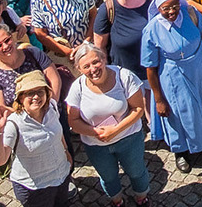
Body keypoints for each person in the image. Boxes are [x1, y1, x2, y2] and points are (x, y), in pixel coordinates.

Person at [140, 0, 202, 174]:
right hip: (173, 78)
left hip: (201, 72)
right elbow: (150, 68)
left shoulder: (191, 14)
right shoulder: (151, 30)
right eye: (166, 8)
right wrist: (159, 98)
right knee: (177, 114)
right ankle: (181, 151)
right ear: (157, 8)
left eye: (175, 6)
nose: (172, 12)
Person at [64, 44, 150, 207]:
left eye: (96, 62)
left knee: (137, 172)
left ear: (104, 58)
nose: (93, 69)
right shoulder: (78, 88)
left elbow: (138, 109)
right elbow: (73, 121)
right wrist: (95, 132)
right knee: (108, 177)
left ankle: (141, 198)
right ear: (79, 69)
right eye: (86, 66)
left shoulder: (124, 77)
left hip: (129, 138)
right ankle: (117, 201)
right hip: (96, 145)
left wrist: (115, 130)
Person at [0, 71, 72, 207]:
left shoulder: (51, 108)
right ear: (20, 98)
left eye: (40, 91)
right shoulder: (14, 124)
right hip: (35, 188)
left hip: (61, 175)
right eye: (30, 93)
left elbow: (58, 132)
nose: (36, 97)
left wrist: (66, 151)